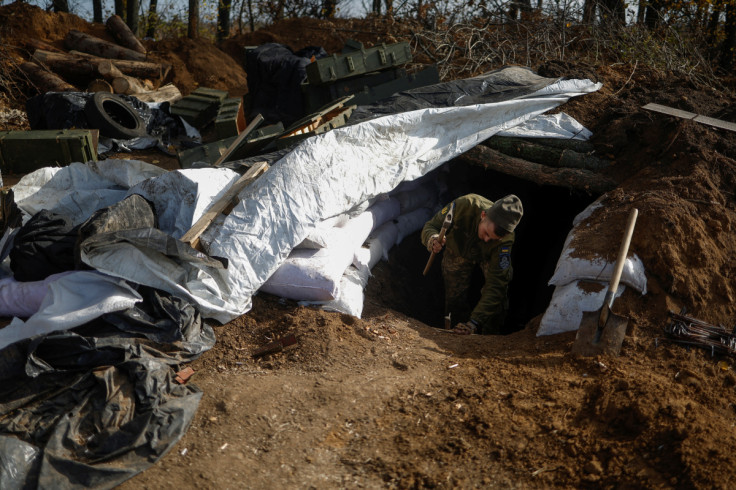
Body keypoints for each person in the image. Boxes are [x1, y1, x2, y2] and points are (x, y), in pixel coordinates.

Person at [421, 193, 523, 335]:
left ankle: (491, 335)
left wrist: (474, 322)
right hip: (458, 249)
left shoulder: (504, 241)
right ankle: (456, 329)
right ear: (483, 215)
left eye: (493, 239)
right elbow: (431, 226)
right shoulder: (465, 204)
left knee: (498, 298)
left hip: (487, 256)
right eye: (486, 233)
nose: (487, 240)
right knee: (454, 294)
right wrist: (432, 239)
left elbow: (496, 285)